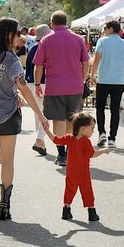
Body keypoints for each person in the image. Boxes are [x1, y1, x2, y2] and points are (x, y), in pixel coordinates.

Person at [0, 17, 50, 221]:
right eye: (17, 33)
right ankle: (5, 205)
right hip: (7, 114)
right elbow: (24, 87)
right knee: (7, 160)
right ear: (9, 35)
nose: (20, 37)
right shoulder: (12, 60)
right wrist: (40, 114)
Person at [34, 11, 90, 167]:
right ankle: (70, 152)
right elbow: (86, 63)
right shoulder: (78, 39)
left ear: (52, 23)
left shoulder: (46, 40)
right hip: (75, 87)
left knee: (58, 121)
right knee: (72, 120)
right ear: (66, 22)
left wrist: (37, 84)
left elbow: (39, 66)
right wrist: (82, 79)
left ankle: (61, 154)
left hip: (54, 87)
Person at [43, 111, 110, 222]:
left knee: (69, 191)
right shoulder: (85, 141)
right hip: (83, 174)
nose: (93, 131)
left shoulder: (70, 138)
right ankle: (92, 213)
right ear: (83, 129)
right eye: (92, 128)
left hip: (70, 172)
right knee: (87, 192)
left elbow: (56, 139)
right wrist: (103, 150)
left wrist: (47, 130)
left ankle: (66, 210)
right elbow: (92, 154)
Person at [89, 20, 124, 147]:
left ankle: (101, 133)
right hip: (119, 81)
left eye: (105, 28)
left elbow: (97, 59)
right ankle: (112, 138)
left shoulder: (102, 41)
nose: (104, 31)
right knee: (115, 110)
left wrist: (92, 75)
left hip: (103, 80)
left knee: (100, 107)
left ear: (111, 29)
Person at [25, 24, 52, 156]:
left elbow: (28, 68)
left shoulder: (33, 48)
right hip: (43, 83)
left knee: (38, 113)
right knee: (46, 113)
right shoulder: (48, 48)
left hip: (32, 83)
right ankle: (39, 139)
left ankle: (41, 141)